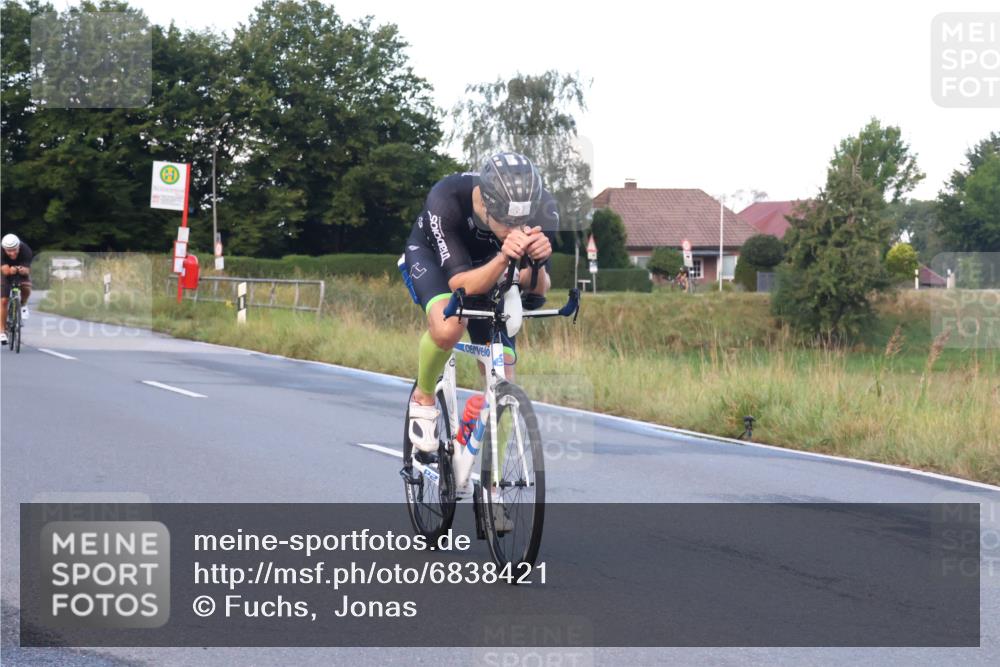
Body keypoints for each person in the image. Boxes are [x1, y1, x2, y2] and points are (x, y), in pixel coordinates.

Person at [402, 152, 556, 453]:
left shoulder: (544, 209)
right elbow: (460, 285)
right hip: (436, 260)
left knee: (505, 380)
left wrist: (539, 263)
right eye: (507, 222)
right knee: (450, 326)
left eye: (521, 222)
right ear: (484, 205)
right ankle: (423, 395)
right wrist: (504, 258)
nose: (515, 229)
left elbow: (537, 294)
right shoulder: (446, 198)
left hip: (492, 269)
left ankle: (492, 490)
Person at [1, 233, 33, 345]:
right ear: (4, 249)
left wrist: (21, 270)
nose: (12, 253)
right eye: (9, 251)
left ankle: (23, 304)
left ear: (19, 246)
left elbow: (27, 270)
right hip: (6, 273)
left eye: (14, 250)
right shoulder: (1, 252)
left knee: (26, 287)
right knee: (3, 300)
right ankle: (2, 331)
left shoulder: (26, 250)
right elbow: (5, 271)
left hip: (21, 270)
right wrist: (11, 270)